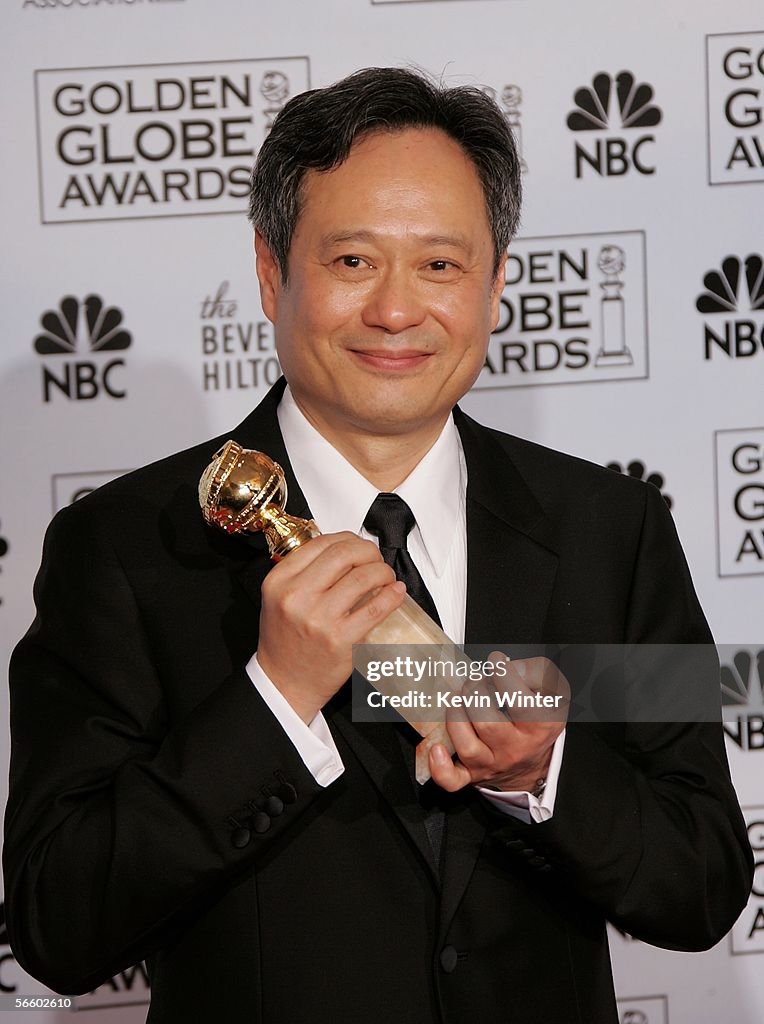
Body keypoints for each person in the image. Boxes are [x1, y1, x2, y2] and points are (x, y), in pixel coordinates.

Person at [4, 68, 752, 1024]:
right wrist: (273, 700)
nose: (397, 311)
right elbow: (57, 929)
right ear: (273, 273)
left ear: (496, 285)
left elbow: (703, 884)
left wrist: (545, 774)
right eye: (353, 261)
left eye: (440, 265)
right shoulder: (127, 550)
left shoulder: (612, 530)